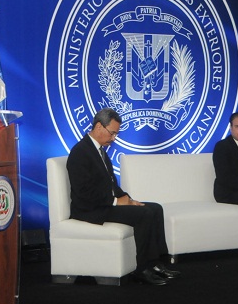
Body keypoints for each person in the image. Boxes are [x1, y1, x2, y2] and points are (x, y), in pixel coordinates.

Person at [66, 108, 180, 285]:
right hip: (90, 210)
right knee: (144, 214)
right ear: (98, 127)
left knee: (155, 208)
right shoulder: (80, 152)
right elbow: (84, 192)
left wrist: (128, 199)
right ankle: (142, 269)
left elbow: (111, 184)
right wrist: (115, 201)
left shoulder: (100, 151)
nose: (113, 139)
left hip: (104, 204)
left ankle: (156, 262)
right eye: (112, 133)